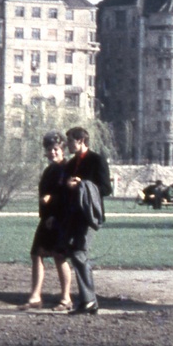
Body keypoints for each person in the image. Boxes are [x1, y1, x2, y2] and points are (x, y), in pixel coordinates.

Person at [59, 126, 111, 315]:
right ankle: (88, 301)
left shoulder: (96, 160)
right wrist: (68, 185)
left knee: (79, 254)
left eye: (70, 142)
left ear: (81, 141)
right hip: (73, 215)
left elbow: (106, 188)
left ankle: (88, 301)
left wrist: (82, 184)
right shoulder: (72, 163)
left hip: (88, 216)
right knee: (76, 254)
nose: (67, 146)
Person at [21, 133, 72, 310]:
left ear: (62, 150)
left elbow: (69, 196)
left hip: (60, 219)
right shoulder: (49, 170)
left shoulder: (67, 168)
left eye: (56, 149)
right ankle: (35, 296)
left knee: (60, 257)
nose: (52, 153)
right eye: (49, 150)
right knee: (36, 254)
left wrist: (53, 207)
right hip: (47, 218)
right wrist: (46, 213)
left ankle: (66, 298)